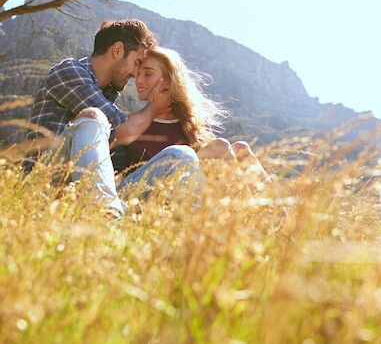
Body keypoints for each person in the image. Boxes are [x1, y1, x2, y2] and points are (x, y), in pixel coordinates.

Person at [26, 19, 201, 218]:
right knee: (93, 117)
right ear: (118, 50)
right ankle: (108, 217)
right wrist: (154, 107)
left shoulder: (108, 99)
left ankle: (191, 239)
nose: (136, 75)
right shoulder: (69, 72)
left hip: (91, 192)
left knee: (180, 156)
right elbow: (122, 128)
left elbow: (114, 168)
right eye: (136, 63)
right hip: (45, 183)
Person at [118, 46, 271, 198]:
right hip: (145, 193)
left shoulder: (193, 124)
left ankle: (277, 214)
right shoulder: (133, 124)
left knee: (240, 149)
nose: (139, 80)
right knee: (218, 147)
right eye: (137, 75)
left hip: (190, 192)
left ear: (168, 82)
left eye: (148, 74)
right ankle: (245, 214)